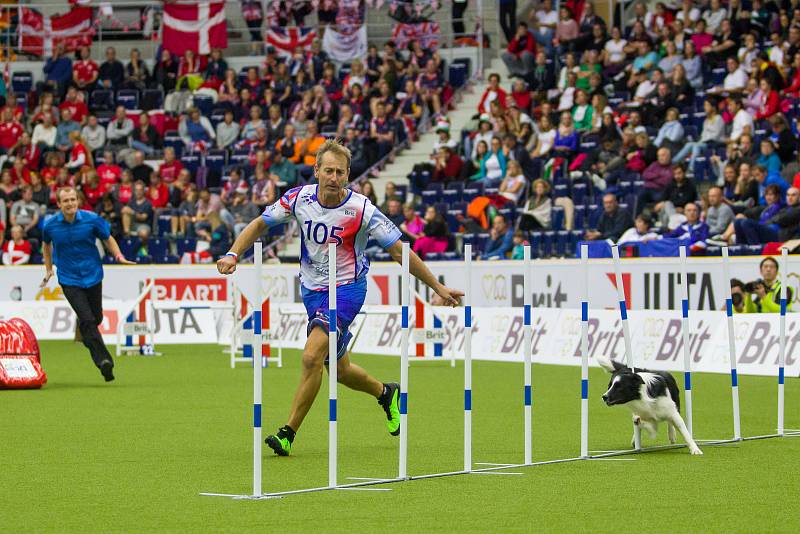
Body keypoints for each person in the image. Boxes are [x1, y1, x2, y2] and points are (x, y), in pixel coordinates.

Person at [216, 139, 463, 456]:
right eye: (328, 170)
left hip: (347, 289)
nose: (333, 177)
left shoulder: (362, 210)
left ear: (348, 175)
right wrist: (233, 253)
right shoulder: (298, 198)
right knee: (341, 370)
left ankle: (288, 432)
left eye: (340, 172)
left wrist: (437, 287)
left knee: (310, 356)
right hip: (312, 289)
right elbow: (259, 224)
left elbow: (400, 250)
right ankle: (386, 393)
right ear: (316, 170)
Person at [41, 187, 135, 382]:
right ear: (58, 204)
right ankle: (104, 362)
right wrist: (49, 268)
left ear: (78, 201)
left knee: (95, 318)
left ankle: (84, 330)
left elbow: (107, 238)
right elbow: (46, 245)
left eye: (73, 200)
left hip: (93, 275)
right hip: (69, 279)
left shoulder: (92, 219)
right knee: (88, 319)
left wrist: (118, 255)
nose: (70, 204)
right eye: (65, 201)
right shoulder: (50, 226)